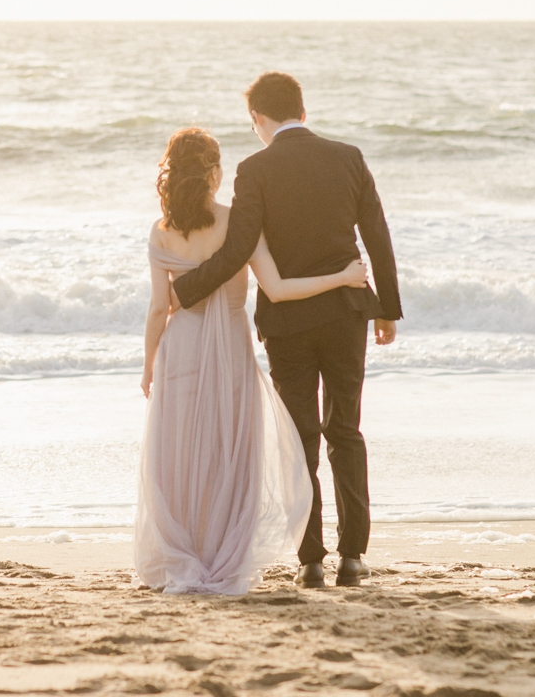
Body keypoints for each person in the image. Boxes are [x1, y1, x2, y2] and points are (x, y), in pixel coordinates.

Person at [171, 73, 401, 589]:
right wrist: (386, 307)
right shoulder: (348, 156)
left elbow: (238, 250)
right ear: (302, 108)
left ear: (258, 118)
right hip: (347, 313)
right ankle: (354, 558)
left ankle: (312, 560)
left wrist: (184, 291)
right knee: (346, 428)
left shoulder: (255, 170)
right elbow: (377, 234)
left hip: (290, 325)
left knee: (301, 440)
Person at [134, 126, 370, 594]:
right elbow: (279, 290)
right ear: (215, 175)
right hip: (230, 354)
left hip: (179, 350)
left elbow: (160, 308)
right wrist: (342, 276)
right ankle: (224, 553)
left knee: (181, 456)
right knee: (228, 453)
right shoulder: (237, 224)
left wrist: (148, 364)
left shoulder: (159, 233)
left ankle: (186, 551)